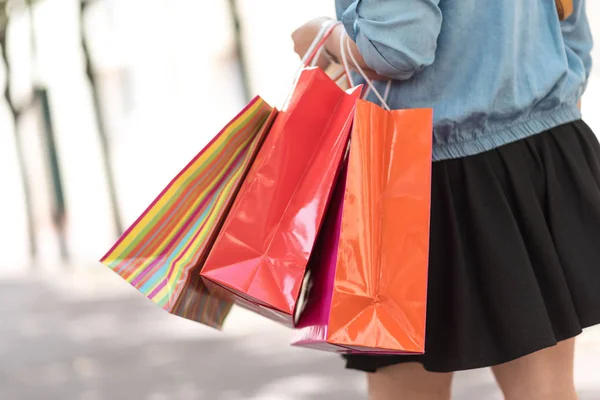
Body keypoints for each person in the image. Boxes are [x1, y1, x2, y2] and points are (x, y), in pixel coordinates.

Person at [291, 1, 596, 399]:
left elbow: (397, 46)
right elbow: (570, 27)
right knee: (544, 390)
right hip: (540, 147)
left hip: (422, 174)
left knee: (407, 389)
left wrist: (320, 35)